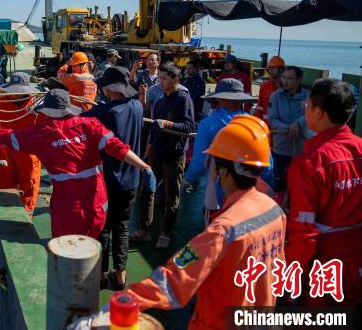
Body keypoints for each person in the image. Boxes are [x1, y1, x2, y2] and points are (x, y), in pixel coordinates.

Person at [125, 116, 287, 329]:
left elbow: (174, 278)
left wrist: (123, 303)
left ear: (224, 171)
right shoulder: (274, 210)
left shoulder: (223, 231)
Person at [0, 89, 155, 239]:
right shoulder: (89, 124)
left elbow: (9, 137)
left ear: (47, 111)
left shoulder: (42, 134)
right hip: (97, 204)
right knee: (92, 243)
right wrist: (144, 167)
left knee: (65, 251)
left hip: (68, 207)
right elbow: (118, 148)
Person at [286, 78, 361, 305]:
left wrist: (291, 276)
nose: (305, 110)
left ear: (319, 112)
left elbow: (304, 232)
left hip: (325, 269)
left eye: (307, 106)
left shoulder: (310, 163)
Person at [82, 67, 152, 290]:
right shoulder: (137, 107)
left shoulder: (104, 112)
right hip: (131, 179)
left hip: (107, 180)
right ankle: (120, 274)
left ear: (111, 88)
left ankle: (101, 274)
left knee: (102, 228)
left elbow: (79, 121)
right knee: (121, 226)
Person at [182, 79, 274, 217]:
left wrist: (187, 180)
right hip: (252, 195)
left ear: (218, 98)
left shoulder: (207, 124)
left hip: (219, 196)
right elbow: (268, 166)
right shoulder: (256, 125)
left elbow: (200, 161)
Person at [132, 62, 195, 249]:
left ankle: (165, 233)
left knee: (171, 196)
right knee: (146, 192)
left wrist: (168, 124)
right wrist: (150, 145)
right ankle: (144, 230)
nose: (161, 81)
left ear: (176, 80)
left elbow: (189, 127)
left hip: (173, 154)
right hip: (156, 152)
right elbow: (153, 127)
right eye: (160, 78)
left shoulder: (183, 99)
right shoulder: (160, 101)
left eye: (164, 78)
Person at [0, 72, 42, 212]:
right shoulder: (3, 103)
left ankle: (26, 221)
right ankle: (4, 216)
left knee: (28, 191)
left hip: (28, 155)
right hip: (7, 153)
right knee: (4, 188)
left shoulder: (37, 107)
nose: (15, 94)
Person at [268, 66, 309, 190]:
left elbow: (310, 115)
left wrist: (298, 124)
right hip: (281, 148)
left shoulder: (309, 96)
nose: (285, 81)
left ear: (299, 80)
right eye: (283, 77)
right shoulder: (275, 96)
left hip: (302, 149)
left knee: (299, 186)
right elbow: (272, 119)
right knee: (278, 184)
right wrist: (289, 128)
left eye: (290, 78)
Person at [253, 56, 285, 121]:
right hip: (265, 124)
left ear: (281, 70)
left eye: (273, 68)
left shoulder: (287, 87)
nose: (270, 71)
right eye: (269, 68)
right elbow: (260, 106)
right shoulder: (264, 86)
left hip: (282, 126)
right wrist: (255, 120)